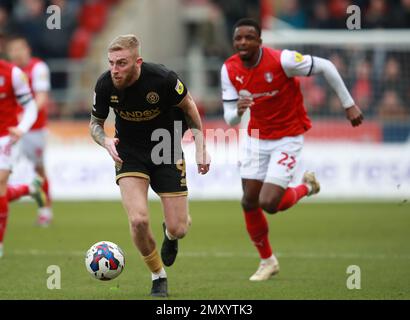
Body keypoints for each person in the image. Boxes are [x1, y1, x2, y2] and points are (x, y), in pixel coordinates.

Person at [221, 18, 363, 281]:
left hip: (288, 137)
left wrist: (348, 104)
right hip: (256, 138)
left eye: (248, 37)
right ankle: (267, 261)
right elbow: (229, 117)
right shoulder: (229, 69)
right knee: (248, 201)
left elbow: (327, 66)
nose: (242, 42)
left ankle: (306, 187)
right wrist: (237, 111)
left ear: (259, 41)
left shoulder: (283, 61)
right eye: (238, 38)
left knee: (269, 203)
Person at [89, 34, 210, 297]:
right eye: (111, 63)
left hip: (166, 148)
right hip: (129, 152)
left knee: (179, 227)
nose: (115, 70)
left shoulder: (163, 79)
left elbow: (189, 107)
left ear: (138, 62)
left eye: (121, 63)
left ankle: (171, 234)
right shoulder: (104, 85)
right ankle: (158, 276)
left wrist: (201, 146)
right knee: (139, 220)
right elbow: (95, 125)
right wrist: (105, 141)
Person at [0, 58, 46, 258]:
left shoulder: (13, 73)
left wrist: (22, 128)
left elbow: (31, 106)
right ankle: (29, 188)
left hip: (5, 138)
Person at [6, 35, 53, 226]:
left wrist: (25, 117)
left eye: (20, 48)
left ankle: (45, 209)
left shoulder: (38, 68)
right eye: (13, 49)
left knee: (38, 169)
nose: (17, 53)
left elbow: (41, 98)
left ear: (28, 49)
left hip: (34, 129)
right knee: (4, 171)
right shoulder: (9, 71)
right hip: (9, 130)